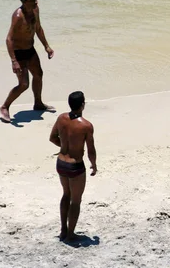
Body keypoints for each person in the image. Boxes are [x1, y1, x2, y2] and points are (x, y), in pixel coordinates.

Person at [0, 0, 55, 122]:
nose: (36, 2)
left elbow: (38, 29)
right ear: (24, 1)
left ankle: (38, 103)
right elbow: (9, 39)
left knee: (38, 75)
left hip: (30, 50)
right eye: (33, 0)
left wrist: (46, 46)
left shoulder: (35, 10)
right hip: (18, 53)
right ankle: (5, 107)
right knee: (24, 84)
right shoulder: (18, 16)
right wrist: (14, 61)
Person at [49, 91, 97, 242]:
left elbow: (52, 138)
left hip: (61, 163)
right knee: (76, 200)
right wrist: (94, 165)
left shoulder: (61, 118)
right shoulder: (86, 126)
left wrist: (64, 148)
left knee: (66, 195)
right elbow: (91, 150)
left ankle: (63, 229)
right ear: (82, 105)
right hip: (75, 167)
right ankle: (70, 234)